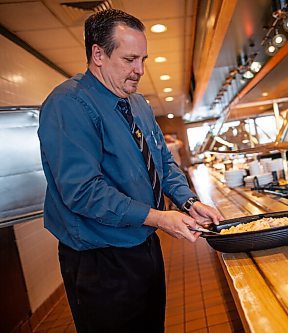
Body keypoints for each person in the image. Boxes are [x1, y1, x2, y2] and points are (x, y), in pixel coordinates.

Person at [37, 9, 223, 333]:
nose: (139, 70)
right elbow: (83, 192)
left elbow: (163, 164)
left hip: (144, 245)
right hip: (100, 259)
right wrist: (159, 217)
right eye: (130, 59)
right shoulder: (68, 104)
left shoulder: (137, 104)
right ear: (98, 53)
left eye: (143, 59)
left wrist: (189, 203)